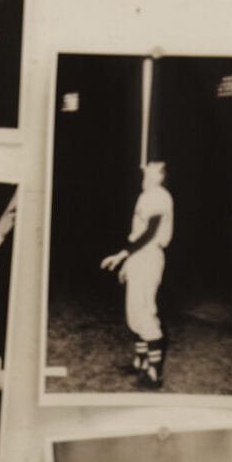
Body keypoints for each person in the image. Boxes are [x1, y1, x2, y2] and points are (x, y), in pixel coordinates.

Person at [101, 160, 175, 388]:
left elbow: (150, 234)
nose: (145, 167)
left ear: (160, 175)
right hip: (139, 256)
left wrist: (122, 255)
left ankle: (153, 373)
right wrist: (128, 264)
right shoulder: (146, 194)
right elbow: (137, 233)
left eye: (152, 166)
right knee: (134, 313)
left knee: (145, 312)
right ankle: (140, 361)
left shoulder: (160, 196)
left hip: (150, 254)